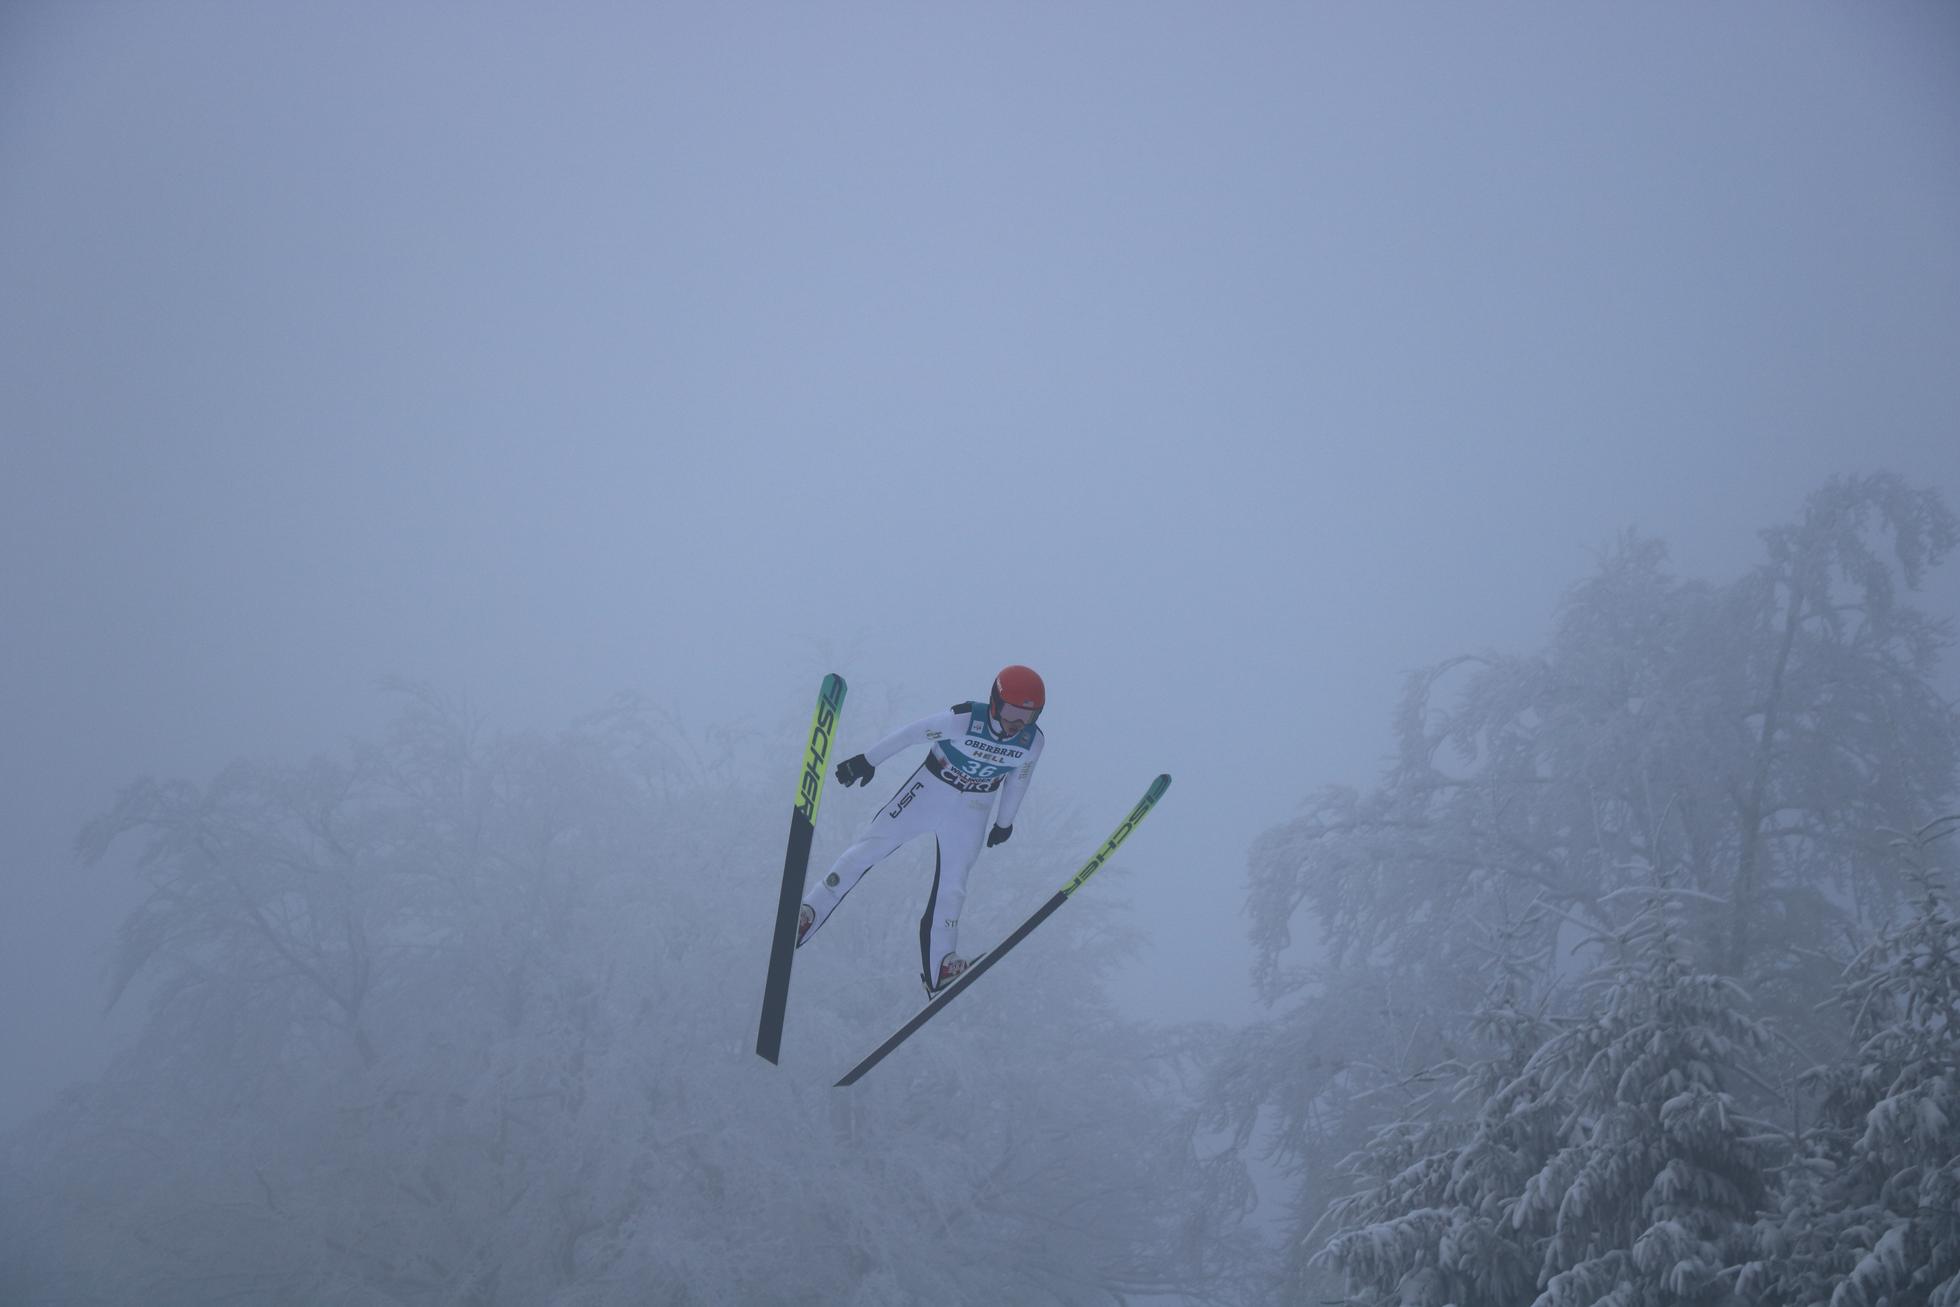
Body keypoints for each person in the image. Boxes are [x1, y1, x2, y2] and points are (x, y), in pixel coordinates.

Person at [797, 665, 1046, 997]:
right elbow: (911, 734)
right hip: (930, 791)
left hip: (974, 808)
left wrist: (1005, 822)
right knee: (869, 848)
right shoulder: (964, 720)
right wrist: (868, 760)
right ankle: (810, 912)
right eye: (1012, 713)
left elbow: (1019, 780)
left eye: (1028, 717)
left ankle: (941, 965)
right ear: (995, 702)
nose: (1017, 724)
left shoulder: (1031, 742)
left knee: (954, 885)